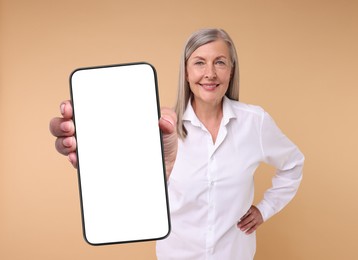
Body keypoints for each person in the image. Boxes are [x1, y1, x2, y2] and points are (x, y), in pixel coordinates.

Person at [50, 28, 304, 260]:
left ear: (232, 70)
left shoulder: (254, 122)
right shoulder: (161, 129)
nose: (210, 73)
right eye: (199, 63)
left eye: (220, 63)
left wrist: (265, 209)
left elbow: (293, 163)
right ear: (186, 71)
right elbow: (133, 191)